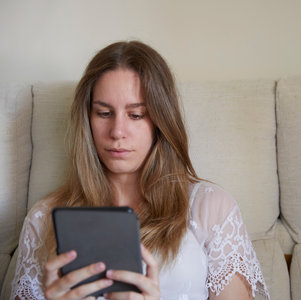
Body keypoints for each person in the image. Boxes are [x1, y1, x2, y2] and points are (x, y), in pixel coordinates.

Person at [10, 41, 269, 300]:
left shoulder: (211, 208)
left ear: (160, 120)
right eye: (103, 113)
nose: (117, 132)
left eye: (136, 115)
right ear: (86, 119)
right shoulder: (43, 220)